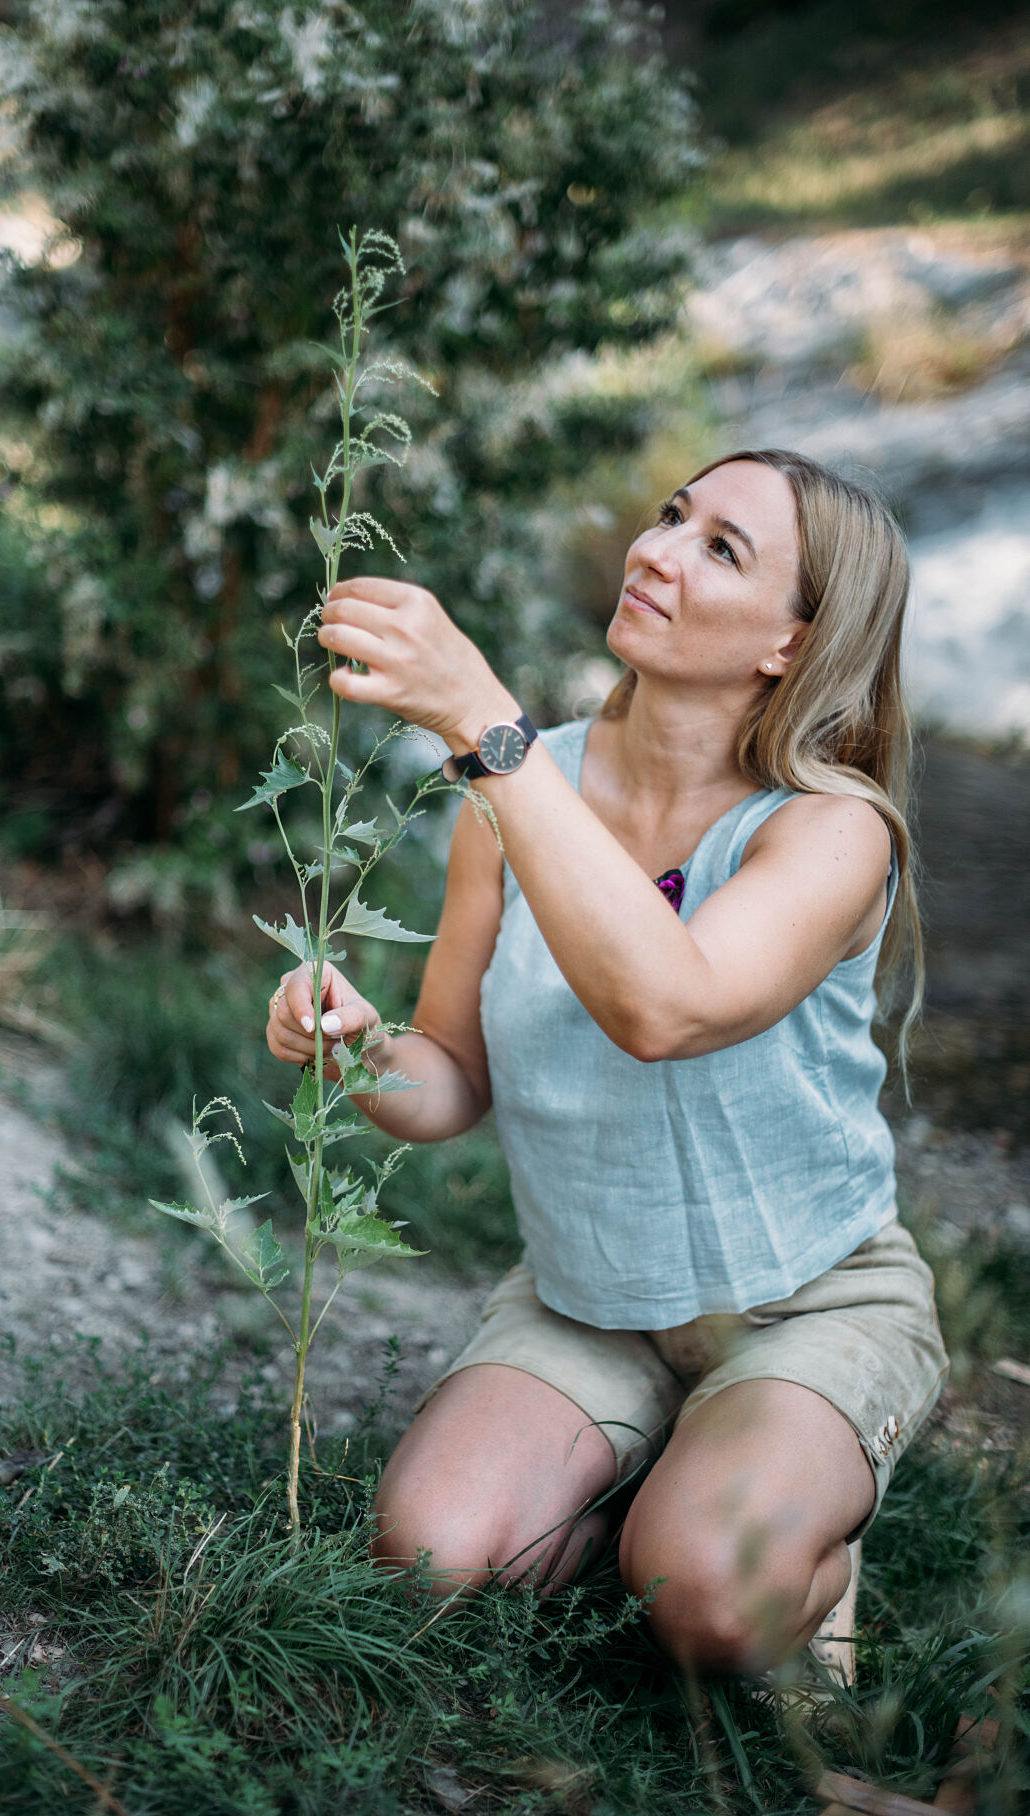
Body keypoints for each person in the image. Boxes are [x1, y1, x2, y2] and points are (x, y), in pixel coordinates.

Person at [264, 448, 948, 1678]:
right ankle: (672, 1482)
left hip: (807, 1298)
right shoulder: (522, 786)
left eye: (720, 549)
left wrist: (477, 716)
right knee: (431, 1561)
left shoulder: (826, 829)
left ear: (789, 645)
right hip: (588, 1299)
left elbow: (664, 1007)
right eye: (670, 517)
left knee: (709, 1602)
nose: (656, 551)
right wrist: (358, 1053)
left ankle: (798, 1544)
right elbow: (450, 1075)